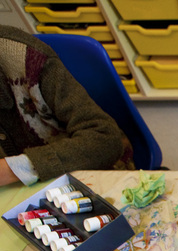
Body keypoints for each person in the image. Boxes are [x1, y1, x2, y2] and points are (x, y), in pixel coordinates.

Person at [0, 25, 132, 187]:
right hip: (21, 191)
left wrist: (13, 169)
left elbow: (106, 140)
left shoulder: (29, 59)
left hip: (87, 177)